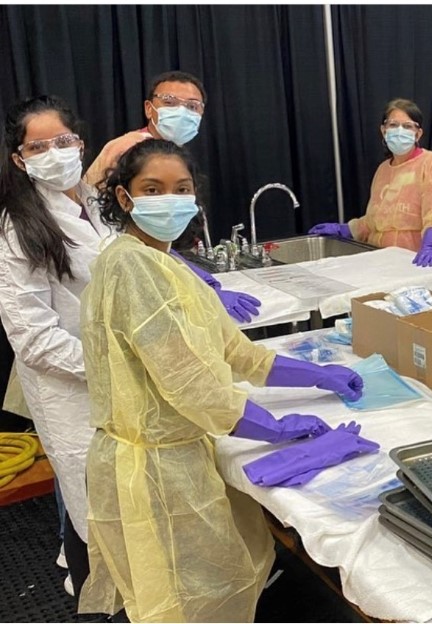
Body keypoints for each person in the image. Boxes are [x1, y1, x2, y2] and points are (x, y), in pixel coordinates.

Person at [78, 138, 364, 622]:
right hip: (157, 471)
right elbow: (192, 385)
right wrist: (277, 429)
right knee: (187, 601)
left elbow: (236, 353)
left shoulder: (165, 263)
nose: (170, 199)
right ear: (124, 198)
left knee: (212, 586)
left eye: (181, 188)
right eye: (153, 188)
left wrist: (321, 375)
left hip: (178, 455)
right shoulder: (131, 265)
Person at [0, 95, 114, 599]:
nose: (56, 152)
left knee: (112, 491)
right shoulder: (18, 225)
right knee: (88, 489)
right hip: (68, 383)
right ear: (19, 159)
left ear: (81, 143)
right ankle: (97, 595)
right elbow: (31, 334)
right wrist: (108, 365)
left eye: (64, 140)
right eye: (39, 145)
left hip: (113, 374)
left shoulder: (92, 201)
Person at [86, 69, 262, 324]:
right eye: (169, 102)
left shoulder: (167, 154)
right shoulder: (130, 151)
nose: (182, 112)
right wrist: (201, 284)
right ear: (149, 108)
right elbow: (127, 237)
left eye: (192, 106)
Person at [309, 98, 432, 267]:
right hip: (384, 261)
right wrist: (346, 229)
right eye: (393, 125)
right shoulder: (383, 170)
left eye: (407, 126)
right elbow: (375, 220)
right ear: (383, 130)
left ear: (418, 133)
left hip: (420, 260)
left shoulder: (431, 162)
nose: (399, 131)